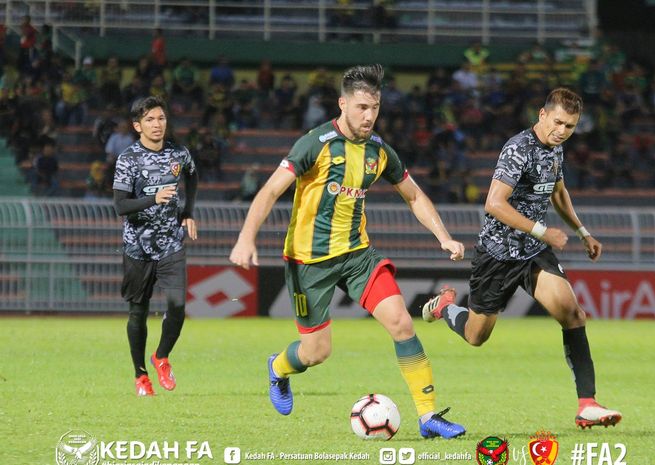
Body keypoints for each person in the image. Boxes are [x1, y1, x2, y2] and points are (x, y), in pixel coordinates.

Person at [229, 64, 466, 439]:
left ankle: (428, 417)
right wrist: (246, 238)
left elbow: (415, 195)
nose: (369, 116)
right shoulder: (315, 143)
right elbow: (270, 191)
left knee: (402, 323)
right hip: (310, 262)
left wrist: (444, 236)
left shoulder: (379, 151)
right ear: (343, 104)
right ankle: (278, 367)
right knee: (316, 352)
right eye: (361, 108)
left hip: (358, 256)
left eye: (374, 108)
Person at [421, 88, 622, 430]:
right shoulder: (518, 148)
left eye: (570, 126)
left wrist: (582, 231)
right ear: (542, 115)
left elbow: (558, 191)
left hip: (532, 252)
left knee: (573, 314)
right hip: (498, 253)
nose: (562, 130)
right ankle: (444, 308)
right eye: (558, 122)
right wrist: (545, 232)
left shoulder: (556, 148)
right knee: (476, 336)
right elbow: (494, 203)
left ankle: (587, 403)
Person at [112, 96, 198, 396]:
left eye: (161, 118)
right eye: (149, 119)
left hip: (171, 244)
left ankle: (161, 357)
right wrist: (154, 198)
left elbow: (192, 176)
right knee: (139, 312)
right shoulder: (129, 159)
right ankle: (140, 376)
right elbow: (121, 206)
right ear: (138, 126)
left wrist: (187, 212)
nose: (157, 124)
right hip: (137, 247)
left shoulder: (179, 153)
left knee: (178, 307)